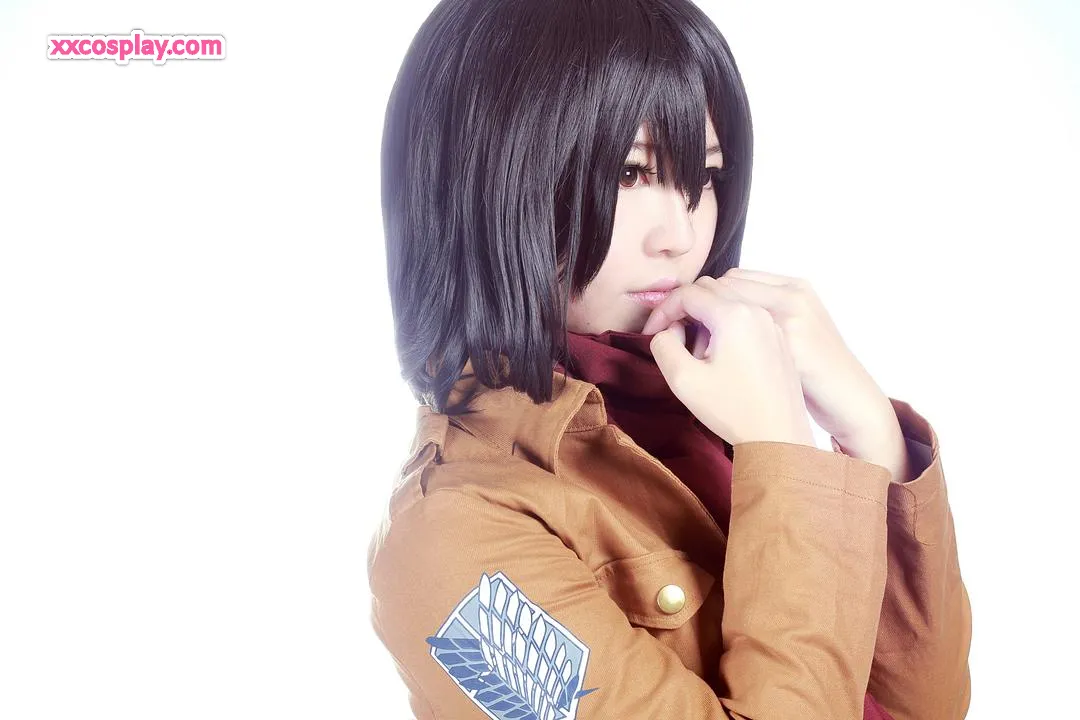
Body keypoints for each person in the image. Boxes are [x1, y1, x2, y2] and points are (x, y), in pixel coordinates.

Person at [367, 0, 973, 717]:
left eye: (704, 176)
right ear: (486, 177)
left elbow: (924, 706)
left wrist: (869, 430)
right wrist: (784, 454)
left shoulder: (711, 403)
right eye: (629, 173)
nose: (681, 236)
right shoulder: (451, 539)